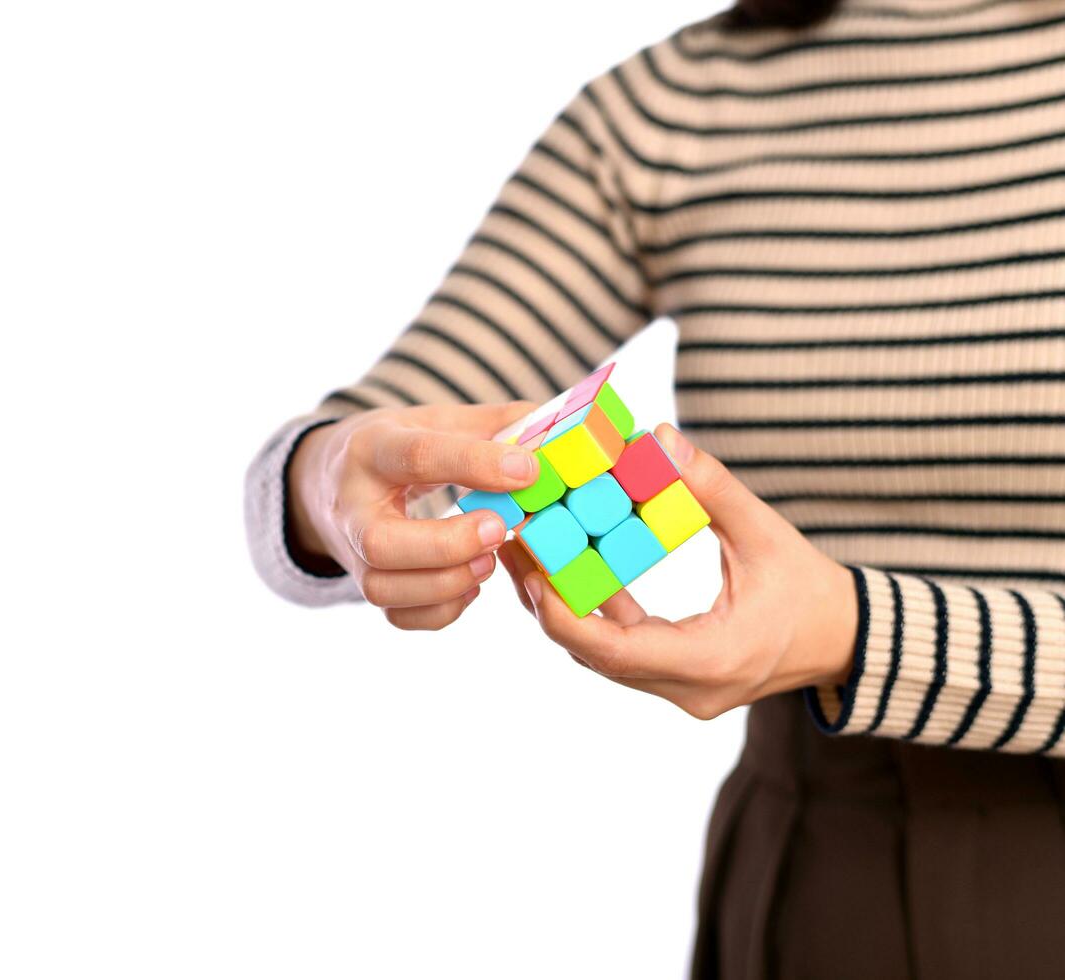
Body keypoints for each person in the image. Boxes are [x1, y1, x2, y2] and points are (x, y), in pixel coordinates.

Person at [244, 0, 1065, 975]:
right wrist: (328, 484)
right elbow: (383, 433)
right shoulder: (675, 105)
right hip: (827, 868)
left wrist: (857, 631)